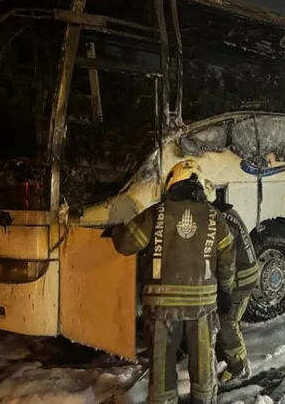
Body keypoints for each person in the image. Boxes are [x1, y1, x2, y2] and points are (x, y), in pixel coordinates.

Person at [111, 159, 236, 404]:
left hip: (161, 309)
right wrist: (226, 291)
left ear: (172, 185)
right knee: (202, 366)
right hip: (202, 307)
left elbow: (125, 245)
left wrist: (116, 229)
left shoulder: (156, 213)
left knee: (162, 369)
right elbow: (227, 259)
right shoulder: (214, 217)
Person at [202, 179, 259, 385]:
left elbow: (224, 260)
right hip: (245, 275)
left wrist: (222, 290)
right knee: (229, 321)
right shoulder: (226, 213)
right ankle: (229, 357)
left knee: (227, 322)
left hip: (240, 280)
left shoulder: (219, 220)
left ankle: (239, 368)